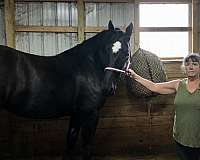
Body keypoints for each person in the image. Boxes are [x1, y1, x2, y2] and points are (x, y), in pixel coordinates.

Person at [126, 53, 200, 160]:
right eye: (187, 64)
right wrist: (135, 76)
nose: (191, 67)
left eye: (195, 64)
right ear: (184, 68)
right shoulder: (178, 84)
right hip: (181, 137)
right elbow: (154, 87)